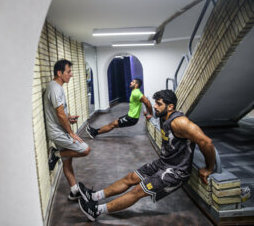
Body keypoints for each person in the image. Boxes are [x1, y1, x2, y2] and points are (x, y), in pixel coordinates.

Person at [78, 90, 216, 221]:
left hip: (176, 171)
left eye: (159, 104)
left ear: (170, 106)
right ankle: (94, 196)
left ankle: (96, 211)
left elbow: (206, 142)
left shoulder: (180, 122)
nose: (155, 106)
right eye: (155, 103)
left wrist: (209, 168)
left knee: (138, 190)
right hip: (163, 163)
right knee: (131, 177)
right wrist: (150, 116)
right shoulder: (164, 117)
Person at [44, 59, 91, 200]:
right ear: (59, 73)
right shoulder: (54, 88)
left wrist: (68, 117)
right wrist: (71, 133)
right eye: (68, 72)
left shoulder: (57, 87)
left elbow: (60, 113)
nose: (71, 75)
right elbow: (59, 114)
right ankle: (56, 154)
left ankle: (74, 191)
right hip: (58, 132)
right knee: (85, 149)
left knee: (68, 161)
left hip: (60, 129)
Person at [86, 78, 153, 138]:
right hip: (130, 116)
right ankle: (95, 131)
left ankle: (94, 133)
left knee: (112, 124)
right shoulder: (136, 92)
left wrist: (151, 114)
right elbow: (146, 101)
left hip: (132, 118)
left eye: (132, 82)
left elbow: (147, 102)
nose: (131, 83)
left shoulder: (136, 93)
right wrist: (147, 111)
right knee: (113, 123)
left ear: (136, 85)